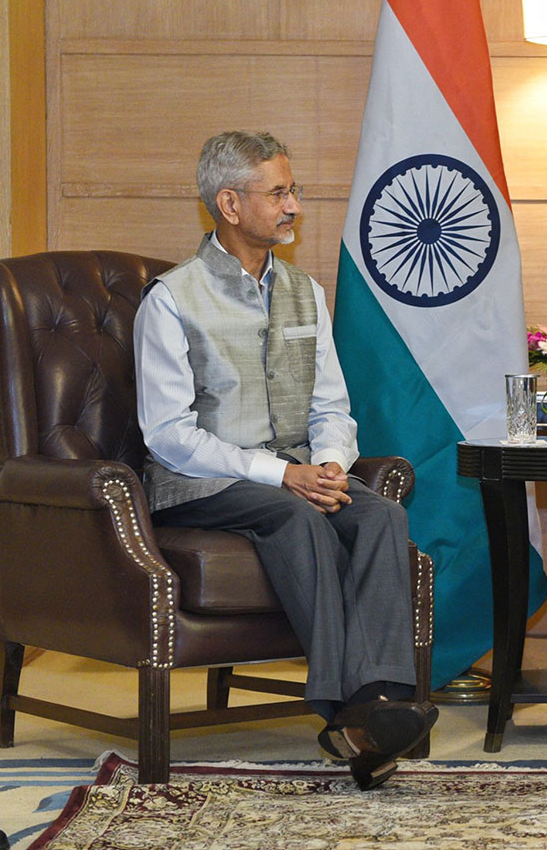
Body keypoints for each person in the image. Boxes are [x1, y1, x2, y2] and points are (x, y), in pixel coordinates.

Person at [135, 130, 436, 790]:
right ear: (231, 204)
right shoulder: (171, 299)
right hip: (201, 480)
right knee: (293, 517)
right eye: (279, 192)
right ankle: (347, 714)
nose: (294, 205)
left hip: (298, 471)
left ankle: (379, 701)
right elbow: (168, 435)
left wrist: (329, 465)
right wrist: (284, 475)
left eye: (292, 190)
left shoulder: (305, 293)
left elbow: (333, 403)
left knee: (380, 515)